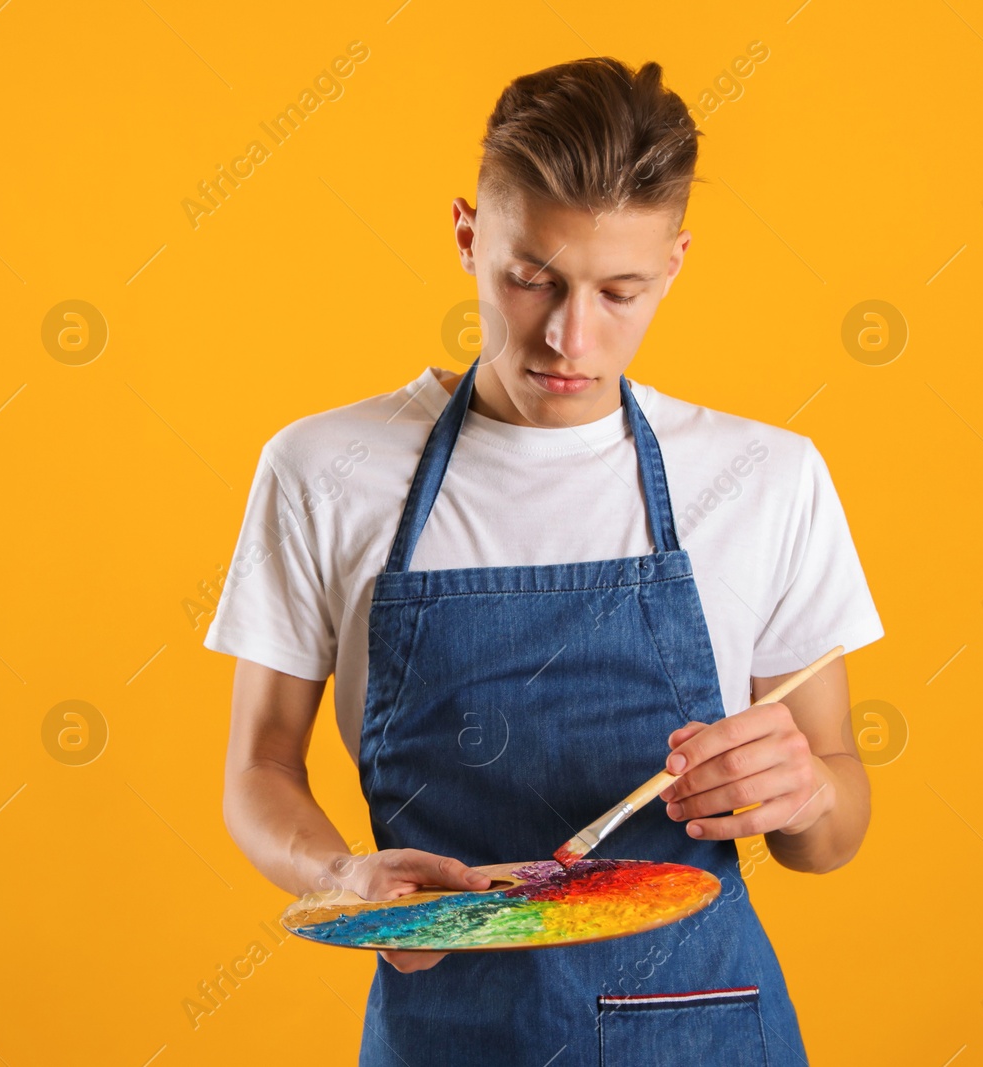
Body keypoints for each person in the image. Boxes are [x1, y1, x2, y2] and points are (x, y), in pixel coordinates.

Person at [205, 55, 883, 1064]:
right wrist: (344, 872)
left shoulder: (763, 476)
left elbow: (829, 826)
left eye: (620, 290)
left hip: (701, 1027)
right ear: (469, 238)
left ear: (677, 262)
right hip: (449, 1028)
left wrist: (808, 792)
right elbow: (258, 769)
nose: (571, 334)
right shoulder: (322, 469)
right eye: (532, 278)